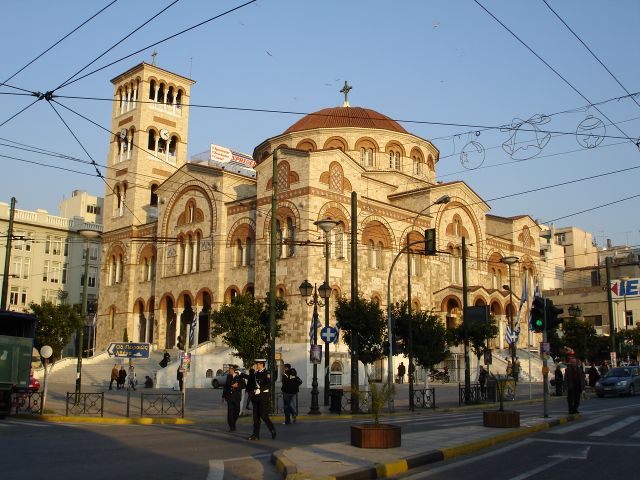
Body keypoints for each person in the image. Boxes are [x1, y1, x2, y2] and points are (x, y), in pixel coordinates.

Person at [248, 359, 276, 440]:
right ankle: (255, 435)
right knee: (255, 417)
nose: (256, 365)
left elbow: (269, 384)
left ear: (261, 364)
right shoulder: (256, 373)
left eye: (258, 364)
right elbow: (253, 384)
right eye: (256, 364)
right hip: (256, 397)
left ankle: (272, 429)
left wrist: (261, 389)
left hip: (263, 397)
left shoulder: (266, 373)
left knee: (263, 416)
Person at [223, 365, 245, 432]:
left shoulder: (239, 377)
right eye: (229, 369)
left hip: (236, 397)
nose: (229, 370)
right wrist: (223, 396)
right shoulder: (228, 376)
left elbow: (244, 385)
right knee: (230, 413)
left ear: (233, 370)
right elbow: (226, 386)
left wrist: (237, 386)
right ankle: (232, 427)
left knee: (237, 412)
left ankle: (233, 423)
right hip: (229, 397)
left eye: (230, 369)